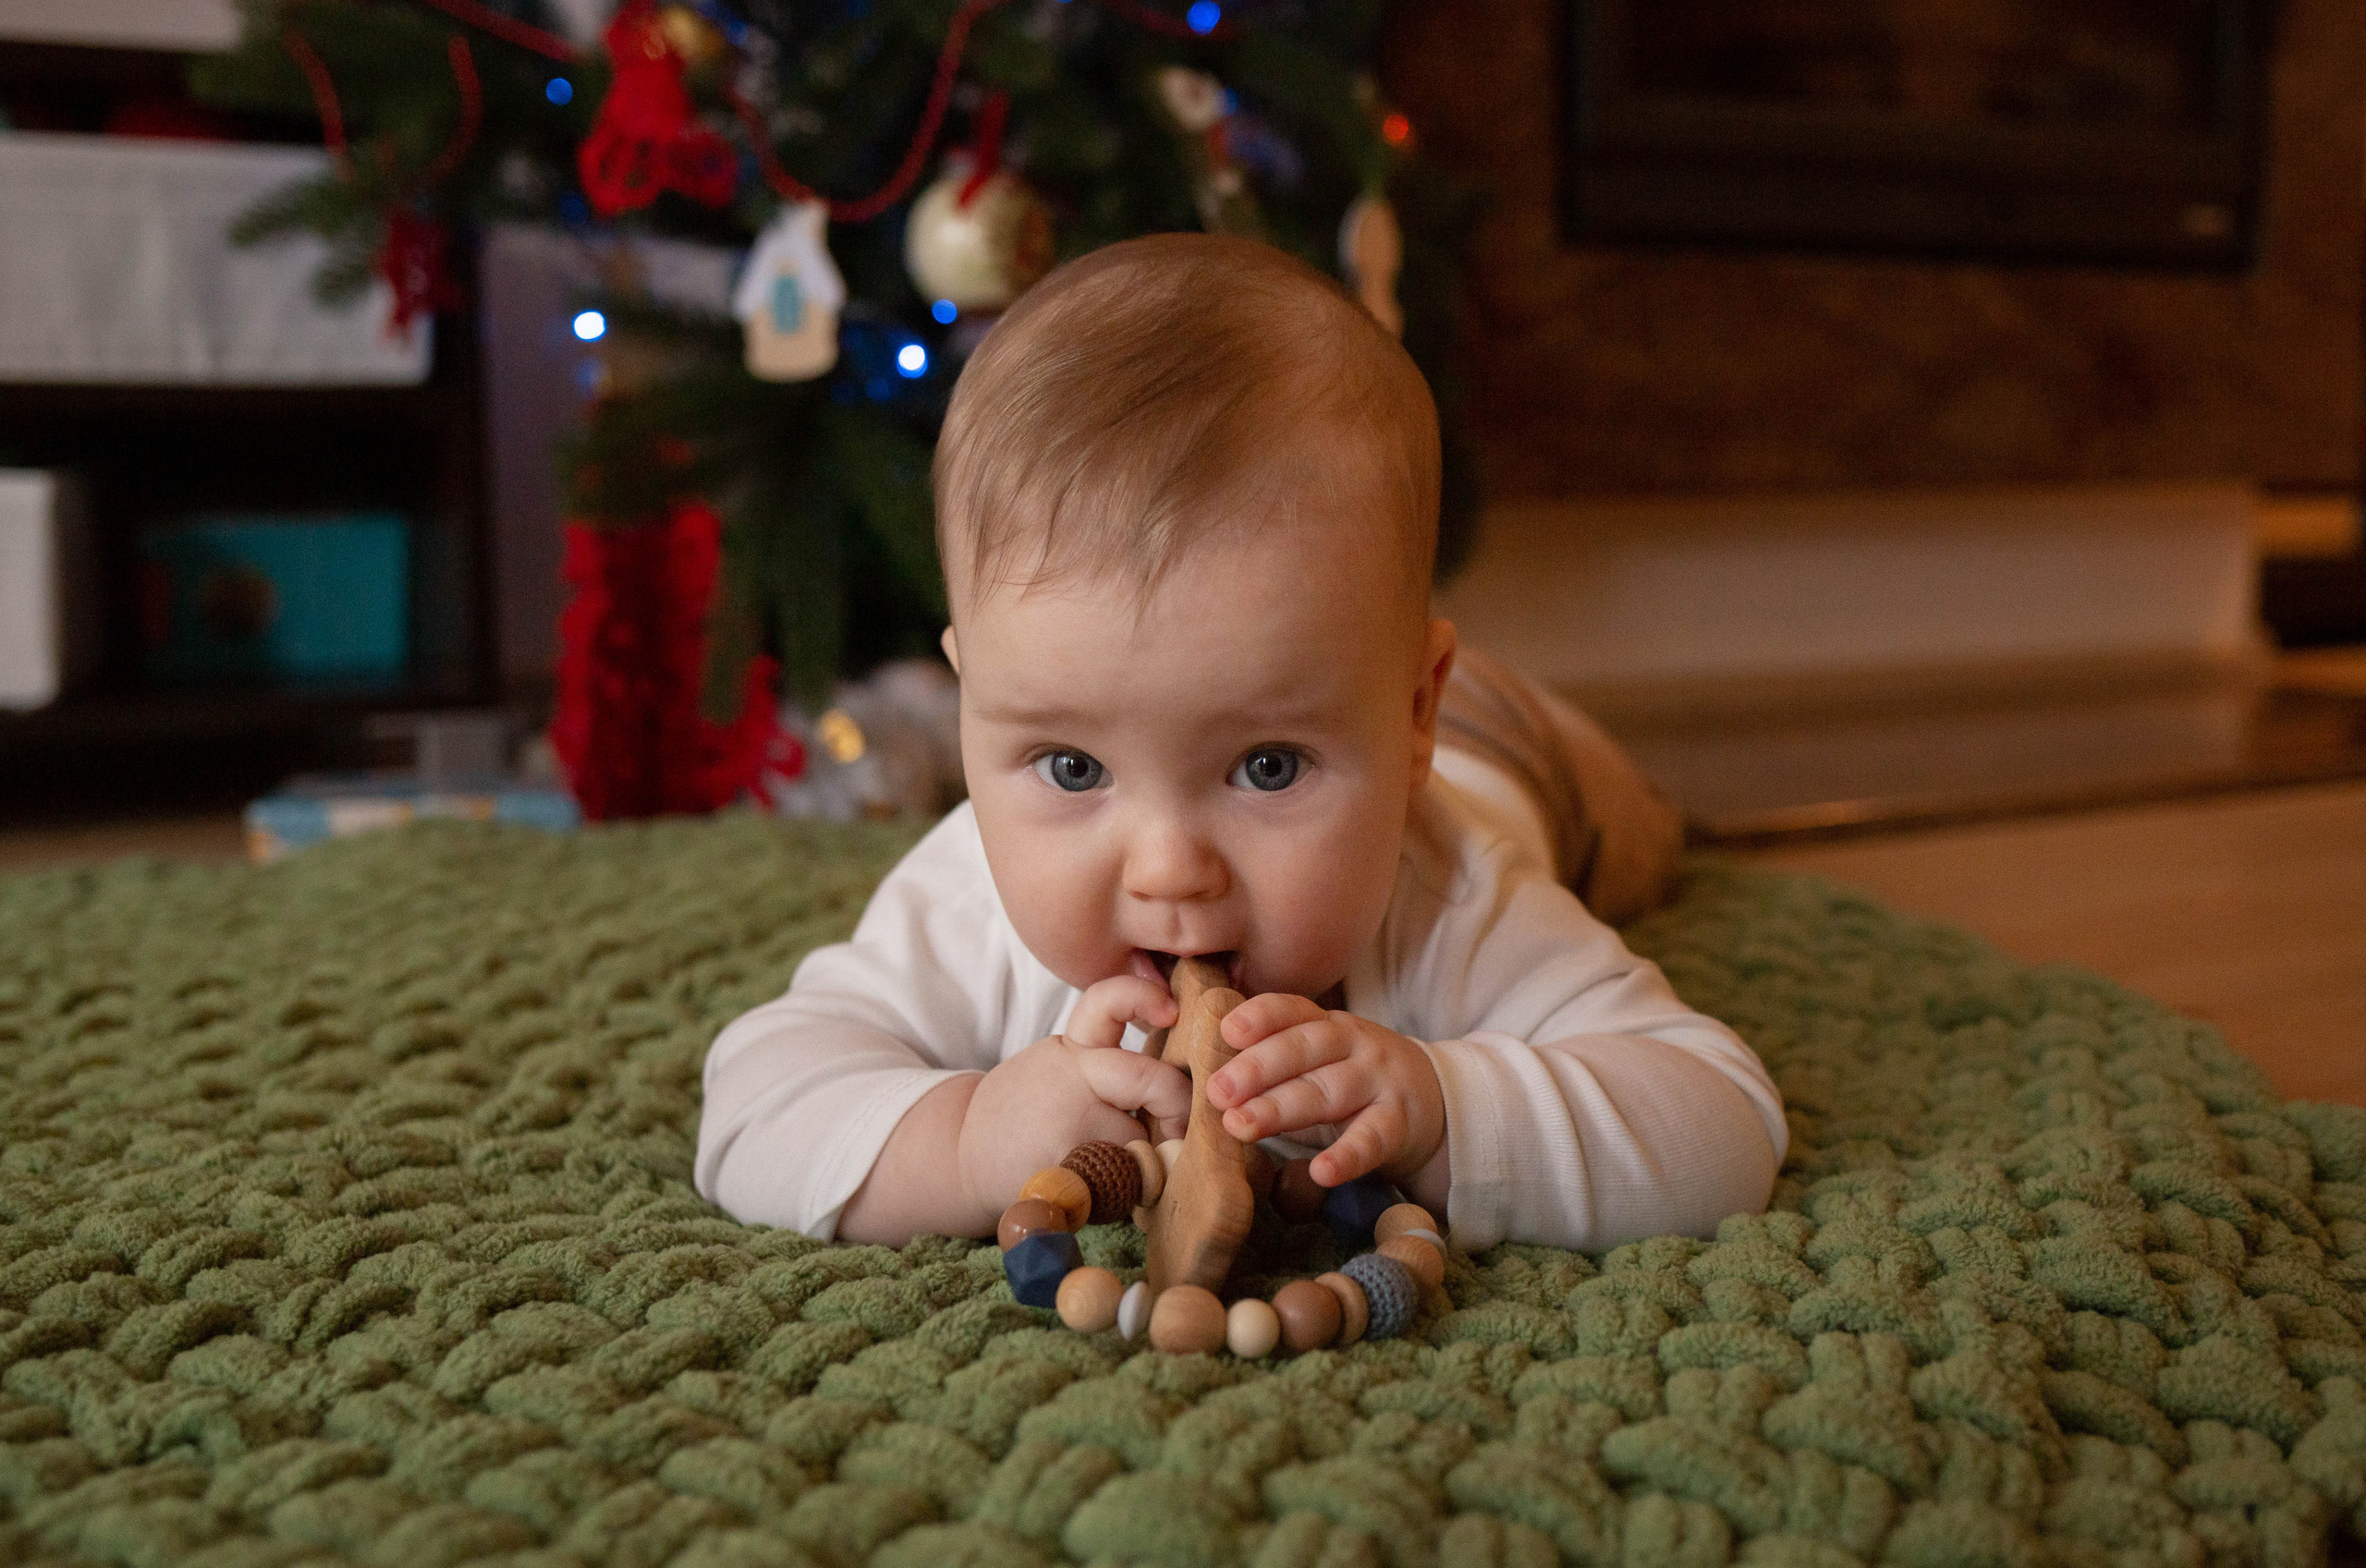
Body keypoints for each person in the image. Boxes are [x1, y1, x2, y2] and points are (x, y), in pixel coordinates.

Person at [695, 235, 1784, 1253]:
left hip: (1508, 751)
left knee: (1639, 839)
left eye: (1268, 765)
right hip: (1393, 701)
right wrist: (968, 1135)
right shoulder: (965, 900)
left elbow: (1722, 1124)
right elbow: (756, 1101)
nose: (1170, 869)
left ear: (1412, 712)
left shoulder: (1454, 897)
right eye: (1073, 767)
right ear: (972, 701)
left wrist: (1444, 1105)